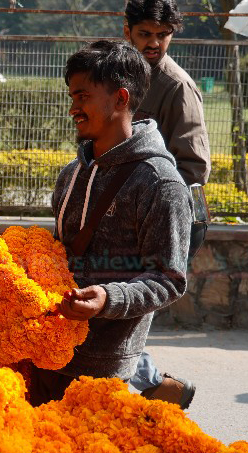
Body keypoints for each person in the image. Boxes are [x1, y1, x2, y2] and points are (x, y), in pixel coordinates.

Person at [31, 40, 191, 407]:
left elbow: (168, 279)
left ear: (120, 98)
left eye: (83, 96)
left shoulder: (159, 183)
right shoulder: (71, 174)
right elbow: (60, 255)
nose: (73, 108)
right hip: (45, 354)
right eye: (72, 96)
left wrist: (107, 298)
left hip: (104, 369)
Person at [122, 0, 212, 408]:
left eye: (163, 34)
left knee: (124, 304)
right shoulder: (120, 73)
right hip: (123, 212)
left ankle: (144, 384)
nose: (154, 43)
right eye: (145, 33)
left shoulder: (176, 85)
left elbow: (193, 168)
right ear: (127, 31)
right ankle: (154, 384)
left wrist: (146, 190)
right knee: (113, 301)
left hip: (168, 215)